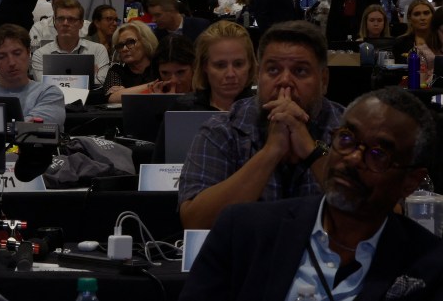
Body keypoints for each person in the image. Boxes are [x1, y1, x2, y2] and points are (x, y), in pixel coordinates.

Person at [178, 86, 442, 301]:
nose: (351, 159)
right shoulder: (244, 231)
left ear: (410, 181)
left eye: (378, 154)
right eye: (347, 138)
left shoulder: (429, 265)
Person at [178, 20, 345, 230]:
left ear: (324, 80)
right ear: (258, 75)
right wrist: (271, 152)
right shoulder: (221, 131)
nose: (285, 81)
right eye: (273, 70)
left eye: (300, 71)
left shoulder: (350, 129)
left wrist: (311, 152)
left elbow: (385, 218)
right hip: (245, 261)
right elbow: (195, 223)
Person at [151, 21, 257, 163]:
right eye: (220, 65)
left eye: (238, 64)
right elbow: (159, 170)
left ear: (250, 64)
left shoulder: (264, 113)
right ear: (205, 66)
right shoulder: (182, 110)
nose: (231, 73)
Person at [0, 23, 65, 129]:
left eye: (17, 53)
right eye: (2, 56)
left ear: (28, 53)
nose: (11, 62)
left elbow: (32, 130)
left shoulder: (49, 94)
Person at [30, 0, 110, 86]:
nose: (65, 23)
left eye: (71, 19)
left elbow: (100, 83)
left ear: (81, 24)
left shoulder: (98, 50)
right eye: (60, 19)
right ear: (55, 22)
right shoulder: (40, 54)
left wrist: (55, 79)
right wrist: (87, 77)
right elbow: (43, 86)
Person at [102, 20, 160, 103]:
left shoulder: (159, 66)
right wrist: (154, 86)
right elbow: (113, 98)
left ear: (146, 41)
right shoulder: (117, 70)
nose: (124, 49)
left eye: (130, 42)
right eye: (120, 45)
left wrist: (126, 92)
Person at [392, 0, 440, 66]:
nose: (422, 18)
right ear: (409, 18)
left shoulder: (440, 41)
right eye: (417, 14)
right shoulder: (400, 43)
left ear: (433, 16)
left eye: (426, 13)